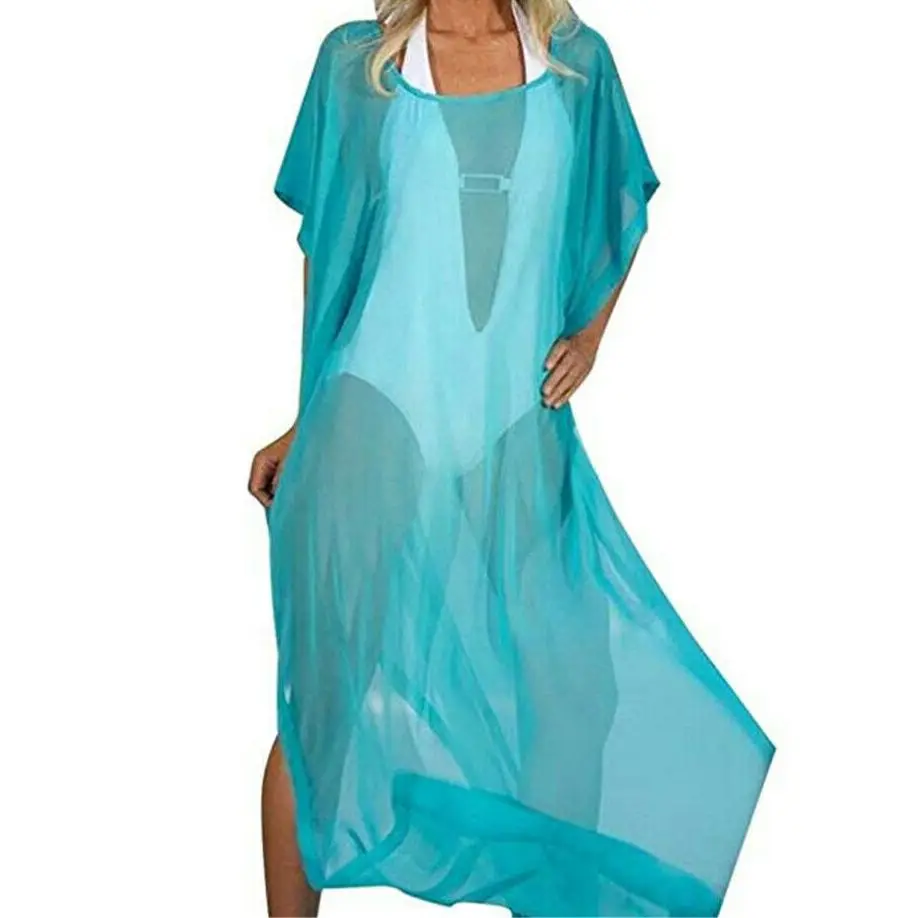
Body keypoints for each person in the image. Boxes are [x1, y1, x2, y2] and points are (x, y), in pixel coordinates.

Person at [248, 2, 774, 915]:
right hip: (372, 421)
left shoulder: (574, 63)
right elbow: (327, 251)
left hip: (512, 430)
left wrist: (589, 337)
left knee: (573, 698)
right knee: (321, 712)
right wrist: (306, 417)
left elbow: (622, 203)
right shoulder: (357, 66)